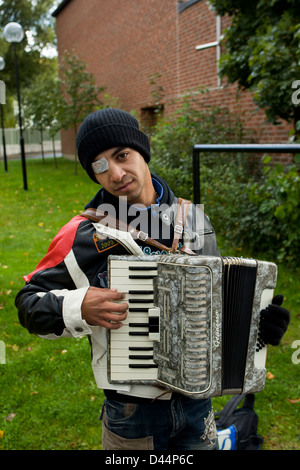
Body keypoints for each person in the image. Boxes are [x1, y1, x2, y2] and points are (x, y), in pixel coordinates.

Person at [15, 108, 290, 450]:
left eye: (122, 155)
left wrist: (257, 326)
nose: (115, 173)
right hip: (132, 413)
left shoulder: (193, 220)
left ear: (142, 153)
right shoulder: (83, 234)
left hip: (198, 403)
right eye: (100, 166)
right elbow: (28, 303)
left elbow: (216, 304)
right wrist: (78, 306)